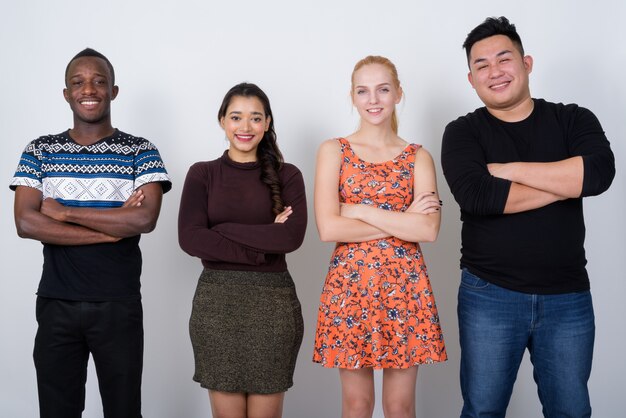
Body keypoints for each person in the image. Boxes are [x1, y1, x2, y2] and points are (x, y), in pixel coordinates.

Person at [441, 16, 615, 418]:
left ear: (527, 63)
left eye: (504, 59)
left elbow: (599, 174)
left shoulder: (573, 118)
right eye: (481, 65)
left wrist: (508, 169)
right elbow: (479, 196)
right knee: (483, 410)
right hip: (489, 295)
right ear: (471, 80)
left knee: (571, 411)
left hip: (567, 296)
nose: (494, 71)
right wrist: (564, 179)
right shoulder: (463, 132)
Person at [10, 48, 171, 418]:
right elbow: (26, 223)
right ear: (66, 93)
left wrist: (64, 212)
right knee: (57, 411)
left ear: (114, 91)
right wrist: (112, 229)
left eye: (100, 81)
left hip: (118, 304)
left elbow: (144, 220)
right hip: (56, 303)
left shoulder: (140, 151)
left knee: (124, 410)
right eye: (78, 82)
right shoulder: (40, 150)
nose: (89, 89)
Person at [313, 55, 447, 418]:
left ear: (398, 94)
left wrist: (357, 209)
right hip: (350, 290)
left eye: (383, 89)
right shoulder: (333, 150)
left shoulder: (418, 157)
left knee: (400, 407)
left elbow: (428, 230)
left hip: (405, 288)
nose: (373, 100)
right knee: (357, 405)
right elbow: (329, 228)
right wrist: (402, 220)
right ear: (353, 97)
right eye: (364, 91)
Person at [178, 82, 306, 418]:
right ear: (222, 120)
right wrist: (262, 244)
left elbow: (291, 238)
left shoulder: (288, 176)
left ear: (267, 123)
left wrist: (220, 231)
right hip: (216, 307)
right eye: (236, 117)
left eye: (254, 118)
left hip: (273, 306)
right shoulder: (202, 174)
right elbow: (190, 238)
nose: (245, 127)